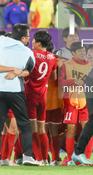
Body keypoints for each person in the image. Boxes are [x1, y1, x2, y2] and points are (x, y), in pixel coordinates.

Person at [0, 23, 39, 166]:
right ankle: (28, 156)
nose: (29, 39)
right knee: (24, 124)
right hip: (16, 91)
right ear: (23, 38)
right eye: (28, 36)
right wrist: (17, 71)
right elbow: (29, 70)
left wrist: (15, 72)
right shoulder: (28, 53)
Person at [58, 41, 93, 165]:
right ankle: (69, 158)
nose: (83, 53)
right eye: (80, 52)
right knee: (71, 130)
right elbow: (60, 82)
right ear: (73, 53)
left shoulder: (90, 65)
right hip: (70, 100)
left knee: (87, 129)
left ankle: (86, 158)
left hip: (86, 100)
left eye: (84, 51)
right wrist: (73, 81)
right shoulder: (66, 65)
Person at [25, 30, 57, 165]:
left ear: (38, 43)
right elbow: (54, 77)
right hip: (43, 96)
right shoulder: (52, 57)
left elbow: (25, 72)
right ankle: (45, 159)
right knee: (42, 129)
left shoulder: (31, 55)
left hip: (31, 95)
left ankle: (37, 158)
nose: (31, 42)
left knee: (32, 129)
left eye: (33, 40)